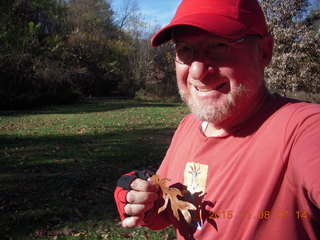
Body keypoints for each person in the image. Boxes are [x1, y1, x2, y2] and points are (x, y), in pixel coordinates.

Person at [114, 0, 320, 239]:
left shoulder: (300, 128)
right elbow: (172, 215)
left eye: (220, 46)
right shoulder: (189, 126)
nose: (197, 72)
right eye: (185, 50)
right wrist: (142, 200)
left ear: (264, 52)